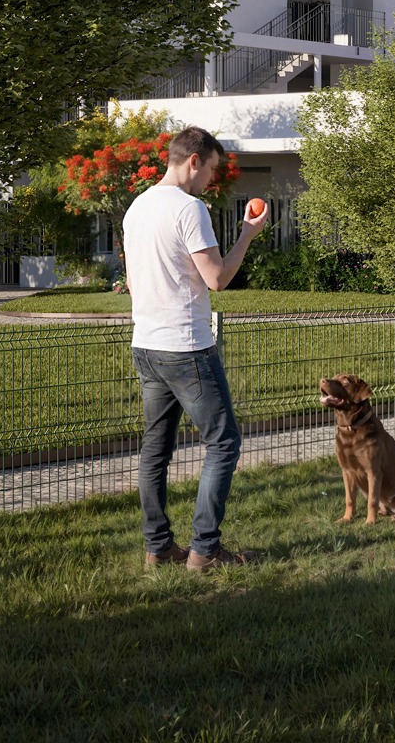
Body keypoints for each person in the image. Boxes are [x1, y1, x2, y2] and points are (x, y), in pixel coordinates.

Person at [125, 126, 267, 571]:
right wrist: (247, 233)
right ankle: (204, 551)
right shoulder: (190, 209)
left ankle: (158, 548)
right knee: (223, 443)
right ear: (193, 161)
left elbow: (131, 281)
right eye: (211, 168)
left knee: (155, 451)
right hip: (186, 347)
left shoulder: (137, 207)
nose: (211, 178)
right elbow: (217, 278)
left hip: (146, 344)